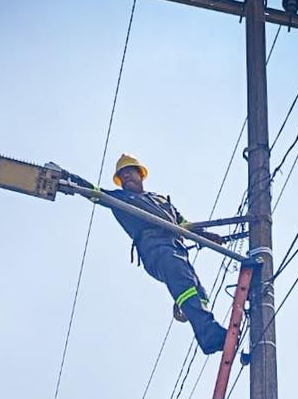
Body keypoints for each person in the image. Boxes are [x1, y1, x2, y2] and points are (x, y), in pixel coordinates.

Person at [97, 153, 229, 357]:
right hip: (155, 248)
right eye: (122, 176)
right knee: (183, 282)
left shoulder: (160, 200)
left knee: (198, 290)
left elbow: (184, 224)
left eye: (130, 173)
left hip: (176, 247)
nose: (126, 178)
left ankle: (194, 313)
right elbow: (93, 192)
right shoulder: (119, 199)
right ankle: (210, 335)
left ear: (141, 175)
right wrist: (67, 180)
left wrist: (206, 235)